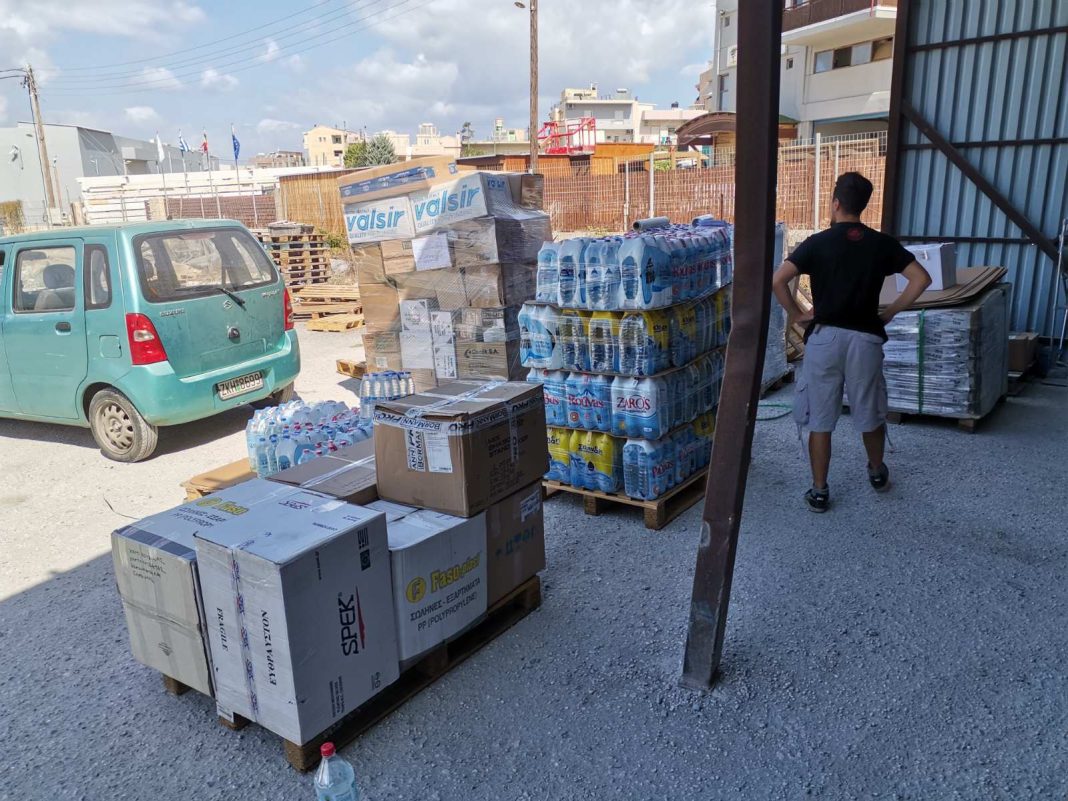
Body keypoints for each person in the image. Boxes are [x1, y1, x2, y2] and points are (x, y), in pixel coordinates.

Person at [772, 172, 932, 512]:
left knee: (821, 418)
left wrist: (798, 313)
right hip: (865, 339)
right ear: (863, 206)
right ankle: (876, 472)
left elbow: (779, 280)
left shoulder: (817, 242)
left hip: (824, 339)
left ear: (835, 203)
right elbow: (921, 279)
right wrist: (891, 313)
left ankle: (819, 490)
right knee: (869, 410)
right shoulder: (881, 243)